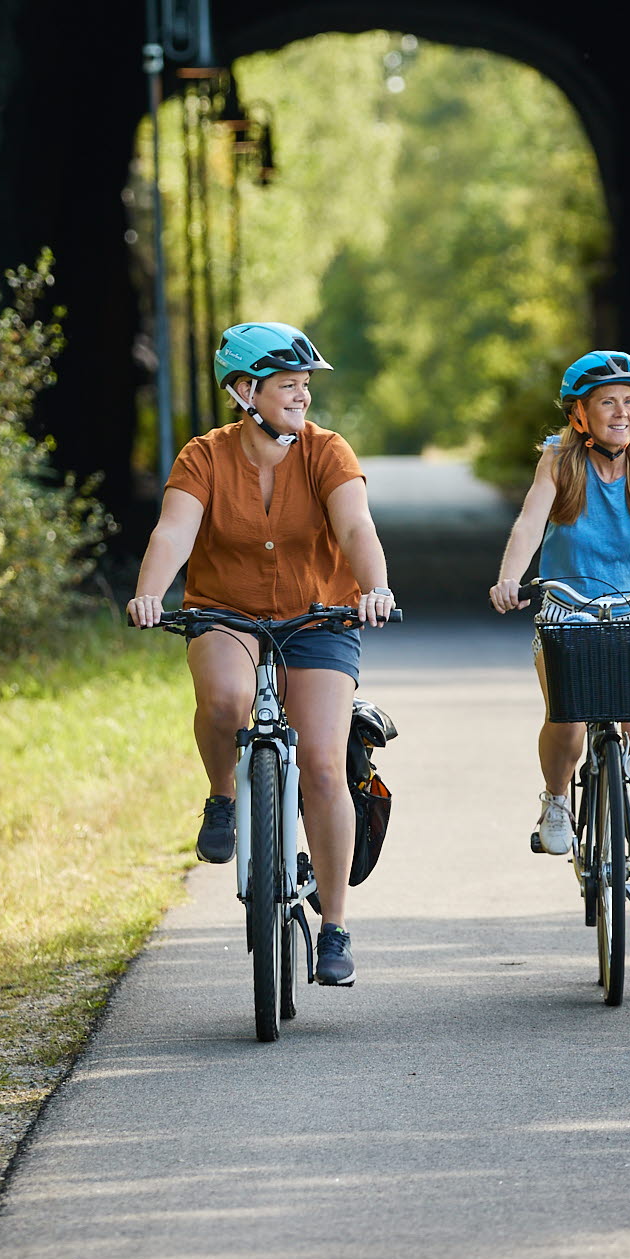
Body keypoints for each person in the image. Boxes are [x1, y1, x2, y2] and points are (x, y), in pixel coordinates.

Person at [126, 322, 395, 988]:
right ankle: (223, 795)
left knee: (326, 767)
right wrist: (149, 594)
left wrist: (377, 586)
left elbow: (356, 524)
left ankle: (334, 925)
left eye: (305, 385)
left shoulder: (327, 451)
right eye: (287, 385)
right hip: (227, 610)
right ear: (245, 390)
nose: (302, 397)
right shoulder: (203, 457)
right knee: (225, 699)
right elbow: (175, 529)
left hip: (320, 614)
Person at [490, 351, 630, 945]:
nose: (622, 412)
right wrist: (510, 578)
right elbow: (529, 524)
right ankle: (556, 800)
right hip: (569, 605)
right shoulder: (559, 460)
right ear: (579, 415)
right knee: (567, 725)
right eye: (607, 402)